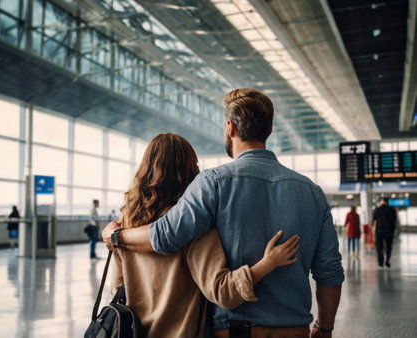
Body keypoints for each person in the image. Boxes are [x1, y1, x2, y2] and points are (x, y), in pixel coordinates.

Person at [103, 88, 344, 337]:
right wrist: (324, 327)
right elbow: (330, 271)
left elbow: (166, 236)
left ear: (230, 127)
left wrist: (117, 236)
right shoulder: (313, 193)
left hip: (234, 330)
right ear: (269, 130)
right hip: (294, 329)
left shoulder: (213, 184)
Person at [111, 133, 299, 337]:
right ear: (190, 171)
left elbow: (119, 289)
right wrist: (267, 263)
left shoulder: (125, 227)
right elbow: (223, 292)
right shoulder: (192, 227)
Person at [373, 198, 397, 268]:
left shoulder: (377, 209)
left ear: (381, 201)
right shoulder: (392, 209)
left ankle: (380, 262)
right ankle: (387, 261)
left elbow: (374, 219)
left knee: (379, 247)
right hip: (389, 231)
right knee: (388, 246)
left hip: (379, 231)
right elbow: (394, 220)